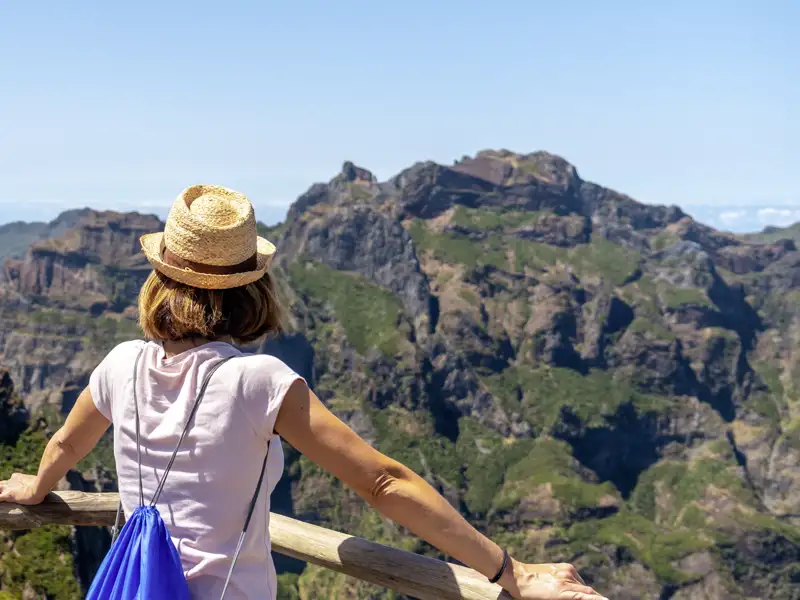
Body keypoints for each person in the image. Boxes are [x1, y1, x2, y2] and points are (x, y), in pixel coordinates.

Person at [0, 185, 607, 600]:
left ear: (158, 282)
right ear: (252, 291)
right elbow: (384, 482)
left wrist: (37, 486)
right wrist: (511, 571)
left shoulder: (120, 363)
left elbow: (64, 442)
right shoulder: (257, 381)